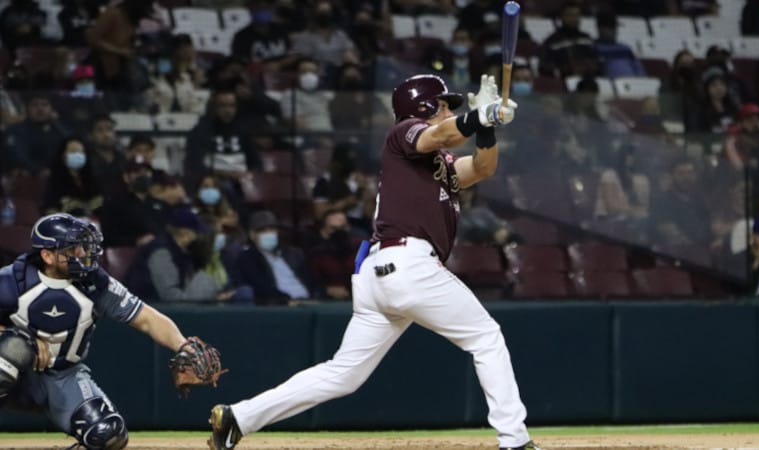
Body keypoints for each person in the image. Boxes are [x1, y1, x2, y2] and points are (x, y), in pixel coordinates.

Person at [208, 74, 538, 450]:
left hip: (382, 275)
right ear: (424, 107)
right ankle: (514, 439)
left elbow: (481, 169)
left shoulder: (437, 162)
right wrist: (482, 115)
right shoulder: (404, 133)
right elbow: (440, 135)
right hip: (409, 263)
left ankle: (238, 417)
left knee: (343, 374)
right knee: (486, 337)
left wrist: (488, 127)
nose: (449, 110)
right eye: (444, 104)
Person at [0, 212, 212, 449]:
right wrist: (20, 336)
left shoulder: (94, 282)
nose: (80, 253)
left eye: (80, 246)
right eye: (71, 249)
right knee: (14, 347)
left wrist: (182, 345)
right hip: (15, 373)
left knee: (107, 435)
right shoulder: (13, 279)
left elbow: (146, 318)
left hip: (63, 375)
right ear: (47, 255)